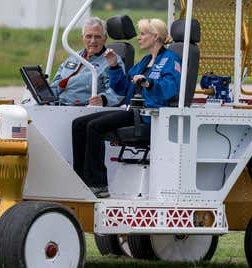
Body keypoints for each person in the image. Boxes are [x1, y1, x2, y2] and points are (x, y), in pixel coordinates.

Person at [72, 18, 182, 198]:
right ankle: (80, 178)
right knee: (79, 124)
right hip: (133, 110)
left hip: (149, 114)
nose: (139, 38)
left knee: (94, 127)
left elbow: (169, 88)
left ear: (155, 37)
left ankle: (98, 184)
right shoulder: (145, 60)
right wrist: (114, 65)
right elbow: (123, 88)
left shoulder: (170, 59)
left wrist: (148, 83)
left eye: (143, 34)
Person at [50, 17, 124, 106]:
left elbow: (118, 92)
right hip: (57, 106)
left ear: (104, 39)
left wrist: (103, 100)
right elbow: (56, 83)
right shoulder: (74, 57)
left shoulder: (113, 61)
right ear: (82, 38)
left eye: (97, 37)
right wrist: (46, 97)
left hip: (82, 109)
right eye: (88, 36)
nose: (93, 41)